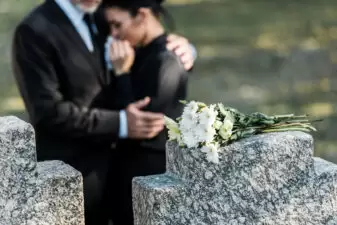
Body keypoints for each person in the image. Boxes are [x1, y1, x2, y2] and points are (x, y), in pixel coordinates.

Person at [11, 0, 195, 224]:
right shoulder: (33, 30)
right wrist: (121, 123)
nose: (115, 32)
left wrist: (183, 49)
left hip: (119, 175)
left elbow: (146, 41)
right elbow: (48, 112)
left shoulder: (101, 13)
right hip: (72, 177)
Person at [101, 0, 188, 224]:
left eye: (117, 25)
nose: (114, 34)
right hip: (128, 173)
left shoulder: (166, 59)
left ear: (141, 15)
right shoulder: (138, 52)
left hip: (148, 174)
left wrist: (122, 75)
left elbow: (143, 123)